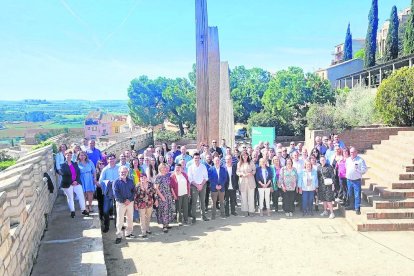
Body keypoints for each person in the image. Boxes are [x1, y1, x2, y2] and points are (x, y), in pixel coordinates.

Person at [59, 149, 88, 218]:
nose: (69, 156)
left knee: (81, 196)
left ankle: (83, 210)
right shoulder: (62, 165)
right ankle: (72, 211)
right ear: (65, 156)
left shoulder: (75, 164)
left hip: (76, 183)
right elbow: (65, 175)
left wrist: (76, 181)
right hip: (68, 184)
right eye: (67, 155)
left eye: (70, 155)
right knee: (70, 198)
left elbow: (78, 173)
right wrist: (71, 182)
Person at [114, 166, 136, 244]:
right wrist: (124, 201)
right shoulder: (116, 182)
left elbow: (133, 191)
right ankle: (119, 235)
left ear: (127, 172)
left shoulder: (131, 181)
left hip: (130, 202)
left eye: (125, 172)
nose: (123, 173)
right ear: (119, 172)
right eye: (122, 172)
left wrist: (129, 200)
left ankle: (128, 233)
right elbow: (116, 194)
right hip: (121, 203)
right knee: (120, 220)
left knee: (130, 218)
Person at [99, 153, 120, 232]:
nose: (111, 160)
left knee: (118, 209)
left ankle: (119, 225)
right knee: (106, 210)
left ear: (115, 159)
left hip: (118, 191)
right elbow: (101, 181)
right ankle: (106, 226)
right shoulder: (105, 169)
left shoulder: (119, 168)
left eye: (112, 158)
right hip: (108, 191)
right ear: (107, 160)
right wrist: (107, 182)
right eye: (109, 159)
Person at [188, 153, 209, 223]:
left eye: (198, 158)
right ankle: (194, 217)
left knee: (202, 201)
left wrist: (201, 185)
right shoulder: (190, 167)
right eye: (195, 158)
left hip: (203, 186)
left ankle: (203, 216)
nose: (196, 159)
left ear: (200, 158)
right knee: (194, 202)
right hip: (194, 186)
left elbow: (206, 177)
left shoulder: (203, 166)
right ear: (193, 159)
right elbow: (190, 179)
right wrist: (197, 185)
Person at [345, 147, 367, 215]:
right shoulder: (348, 159)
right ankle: (352, 206)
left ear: (356, 152)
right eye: (351, 152)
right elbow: (346, 167)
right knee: (350, 194)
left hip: (356, 181)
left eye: (354, 152)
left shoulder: (360, 160)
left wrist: (358, 170)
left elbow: (364, 170)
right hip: (349, 180)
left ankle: (357, 208)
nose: (352, 153)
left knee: (357, 195)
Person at [135, 173, 157, 238]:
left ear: (147, 178)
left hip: (150, 203)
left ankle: (147, 229)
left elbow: (154, 193)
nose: (143, 179)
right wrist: (135, 204)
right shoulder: (137, 185)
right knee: (142, 218)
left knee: (148, 217)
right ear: (140, 178)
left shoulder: (150, 184)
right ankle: (143, 232)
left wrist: (155, 200)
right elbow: (135, 196)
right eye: (141, 177)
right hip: (141, 204)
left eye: (144, 177)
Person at [154, 163, 175, 232]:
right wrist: (162, 197)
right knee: (164, 210)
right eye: (163, 167)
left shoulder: (167, 176)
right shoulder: (158, 177)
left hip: (168, 195)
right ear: (160, 168)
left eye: (165, 167)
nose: (164, 169)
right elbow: (156, 189)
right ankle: (164, 226)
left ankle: (167, 224)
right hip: (162, 196)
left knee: (168, 209)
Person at [237, 151, 256, 217]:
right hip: (242, 182)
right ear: (241, 156)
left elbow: (254, 170)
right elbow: (237, 172)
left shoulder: (251, 162)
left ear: (248, 156)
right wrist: (241, 174)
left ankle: (251, 211)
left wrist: (251, 173)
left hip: (250, 181)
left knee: (251, 197)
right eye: (243, 155)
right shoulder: (239, 163)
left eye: (246, 155)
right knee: (243, 197)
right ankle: (245, 211)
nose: (245, 156)